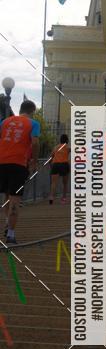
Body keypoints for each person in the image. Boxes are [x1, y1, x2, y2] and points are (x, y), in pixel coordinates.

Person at [0, 99, 40, 245]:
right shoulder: (33, 124)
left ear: (21, 109)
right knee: (15, 198)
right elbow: (35, 142)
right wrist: (34, 161)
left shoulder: (4, 122)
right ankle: (10, 235)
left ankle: (7, 222)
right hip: (18, 164)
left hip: (1, 162)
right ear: (32, 111)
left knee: (6, 195)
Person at [49, 133, 70, 204]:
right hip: (64, 165)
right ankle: (63, 198)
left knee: (53, 183)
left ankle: (51, 197)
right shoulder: (67, 147)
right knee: (65, 183)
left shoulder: (55, 147)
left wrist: (50, 164)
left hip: (55, 165)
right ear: (67, 140)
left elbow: (51, 156)